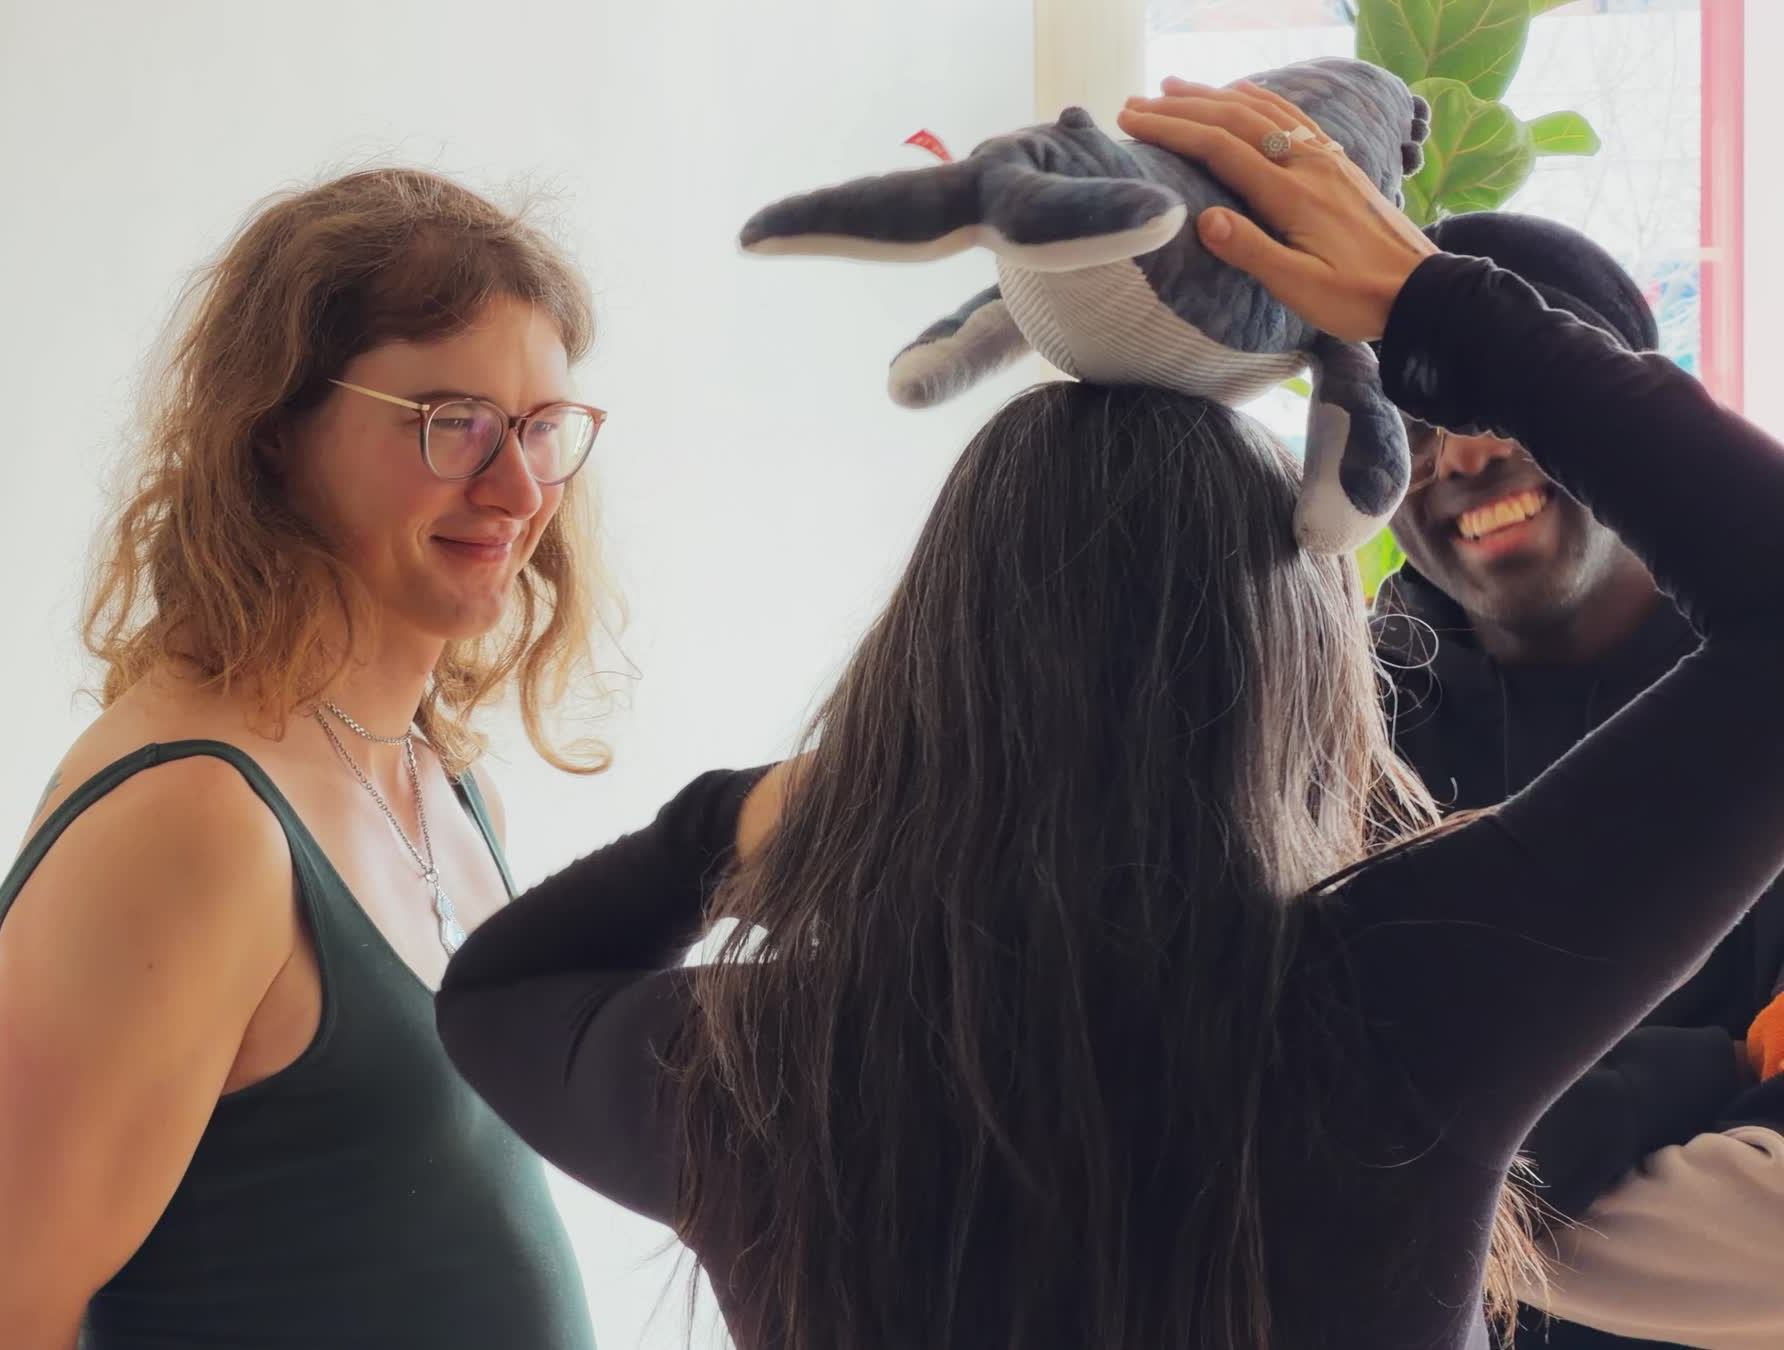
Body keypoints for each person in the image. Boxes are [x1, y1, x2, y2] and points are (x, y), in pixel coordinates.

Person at [433, 77, 1784, 1350]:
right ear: (1302, 682)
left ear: (927, 673)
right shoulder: (1403, 1003)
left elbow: (496, 993)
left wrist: (742, 816)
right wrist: (1434, 306)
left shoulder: (767, 1074)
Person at [0, 167, 612, 1350]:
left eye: (541, 428)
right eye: (454, 423)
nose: (518, 488)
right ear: (276, 432)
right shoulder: (195, 824)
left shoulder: (440, 782)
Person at [1371, 210, 1784, 1350]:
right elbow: (1295, 1116)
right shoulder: (1331, 729)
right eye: (1411, 421)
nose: (1462, 455)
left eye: (1505, 399)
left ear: (1622, 418)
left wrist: (1422, 1161)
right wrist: (1706, 1068)